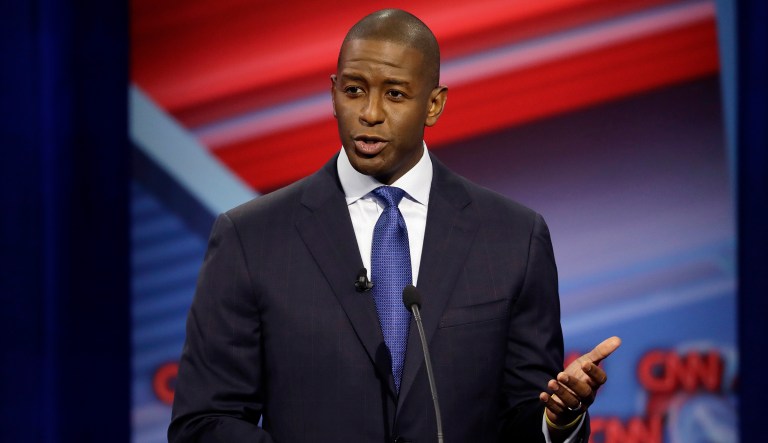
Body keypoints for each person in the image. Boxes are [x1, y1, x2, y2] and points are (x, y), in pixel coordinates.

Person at [168, 8, 620, 443]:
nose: (369, 113)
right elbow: (205, 421)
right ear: (333, 93)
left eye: (395, 94)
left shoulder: (512, 238)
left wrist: (557, 419)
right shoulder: (251, 239)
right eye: (354, 90)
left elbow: (524, 415)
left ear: (434, 105)